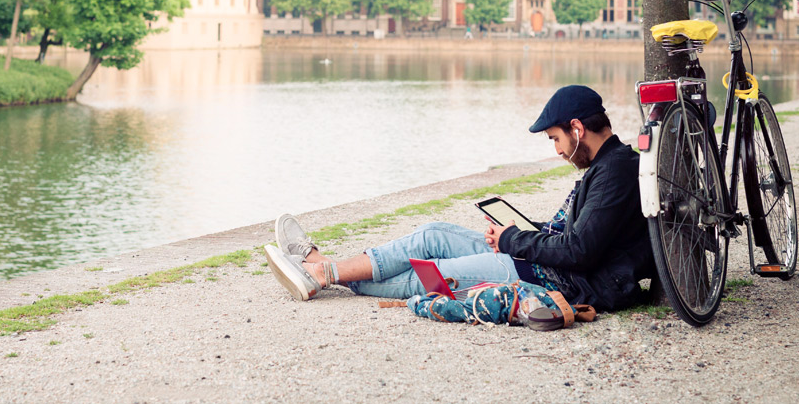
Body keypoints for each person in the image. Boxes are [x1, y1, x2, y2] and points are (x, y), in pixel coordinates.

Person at [263, 85, 655, 312]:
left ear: (577, 128)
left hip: (559, 280)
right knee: (431, 234)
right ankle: (323, 269)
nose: (556, 150)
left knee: (429, 274)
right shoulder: (606, 168)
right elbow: (573, 237)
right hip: (542, 260)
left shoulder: (617, 171)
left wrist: (512, 239)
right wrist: (517, 234)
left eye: (555, 139)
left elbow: (581, 251)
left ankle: (321, 272)